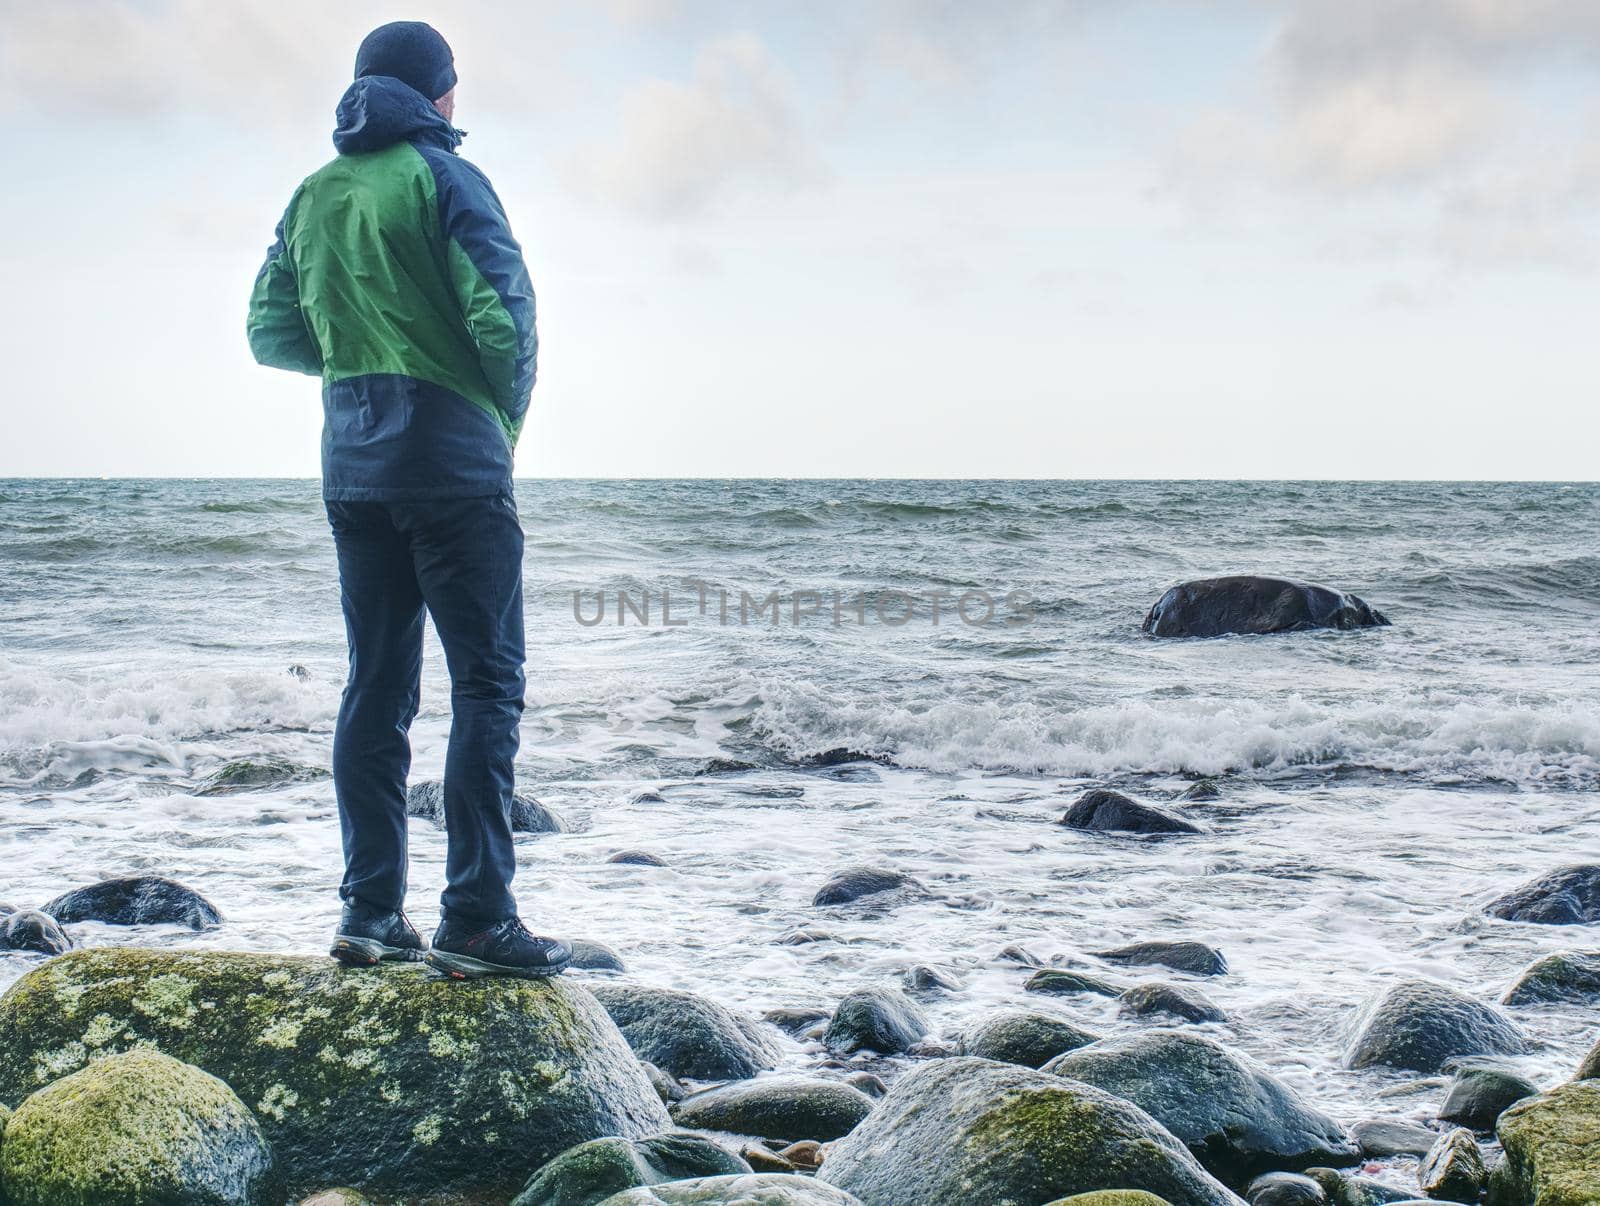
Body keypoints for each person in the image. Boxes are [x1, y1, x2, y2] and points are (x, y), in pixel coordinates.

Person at [247, 21, 569, 980]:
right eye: (455, 88)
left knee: (376, 690)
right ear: (437, 95)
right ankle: (475, 915)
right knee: (487, 685)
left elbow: (270, 331)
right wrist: (494, 423)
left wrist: (357, 371)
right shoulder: (448, 177)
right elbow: (503, 319)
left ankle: (369, 913)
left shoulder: (314, 193)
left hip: (353, 467)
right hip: (455, 466)